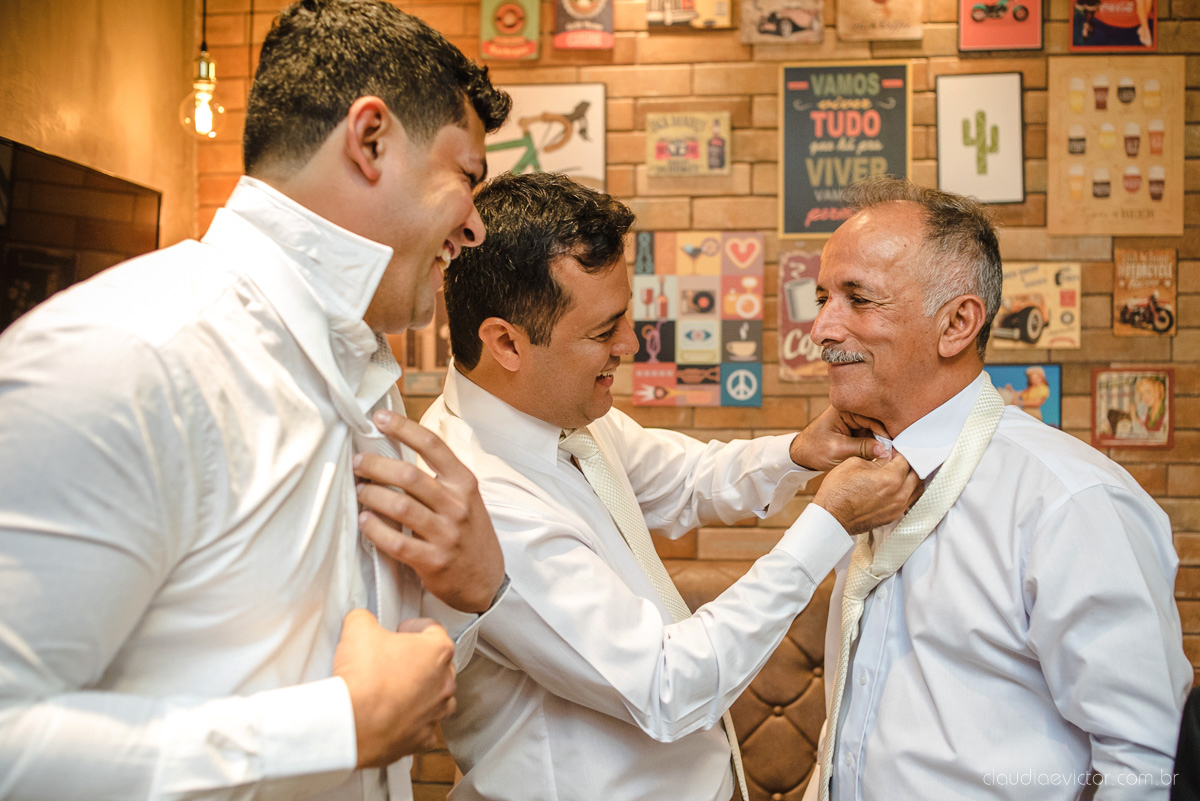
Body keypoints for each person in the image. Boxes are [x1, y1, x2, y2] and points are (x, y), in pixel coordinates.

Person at [0, 1, 512, 798]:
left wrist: (473, 593)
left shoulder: (364, 378)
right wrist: (333, 729)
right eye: (464, 177)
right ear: (370, 139)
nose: (475, 227)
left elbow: (368, 669)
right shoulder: (133, 355)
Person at [422, 171, 922, 801]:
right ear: (505, 343)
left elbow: (687, 480)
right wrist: (828, 525)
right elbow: (667, 686)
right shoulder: (481, 501)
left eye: (625, 316)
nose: (629, 345)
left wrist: (799, 453)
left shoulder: (567, 416)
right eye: (604, 332)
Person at [802, 176, 1189, 801]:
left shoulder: (1069, 501)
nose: (821, 327)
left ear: (957, 323)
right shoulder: (871, 476)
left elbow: (1143, 762)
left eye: (857, 298)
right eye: (821, 297)